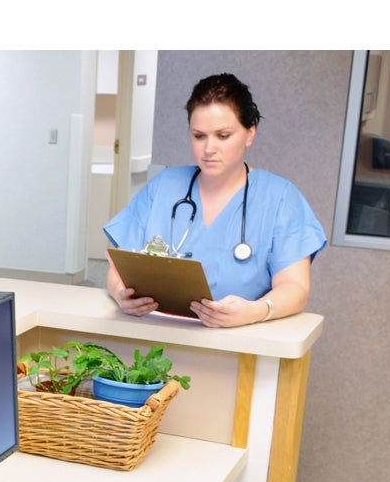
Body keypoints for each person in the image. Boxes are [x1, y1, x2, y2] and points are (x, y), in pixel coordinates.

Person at [104, 73, 327, 327]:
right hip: (156, 338)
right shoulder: (163, 186)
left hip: (241, 343)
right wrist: (120, 295)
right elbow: (118, 267)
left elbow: (295, 287)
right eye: (199, 136)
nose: (209, 149)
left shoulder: (281, 198)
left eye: (223, 136)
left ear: (250, 133)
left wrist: (255, 311)